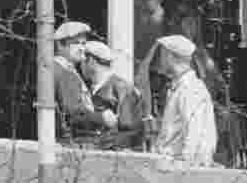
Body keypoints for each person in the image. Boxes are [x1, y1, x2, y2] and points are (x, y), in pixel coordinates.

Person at [149, 34, 218, 167]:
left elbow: (195, 132)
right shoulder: (178, 87)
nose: (158, 60)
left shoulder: (190, 89)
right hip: (169, 165)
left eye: (161, 54)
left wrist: (185, 165)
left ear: (169, 56)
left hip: (179, 171)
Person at [54, 21, 117, 145]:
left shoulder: (67, 70)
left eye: (83, 43)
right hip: (71, 146)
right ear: (60, 45)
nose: (82, 48)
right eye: (76, 43)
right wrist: (102, 118)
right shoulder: (62, 72)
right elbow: (73, 115)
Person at [81, 40, 147, 151]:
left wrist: (98, 144)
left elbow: (130, 132)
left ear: (91, 61)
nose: (81, 66)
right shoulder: (90, 88)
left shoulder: (123, 89)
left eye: (83, 62)